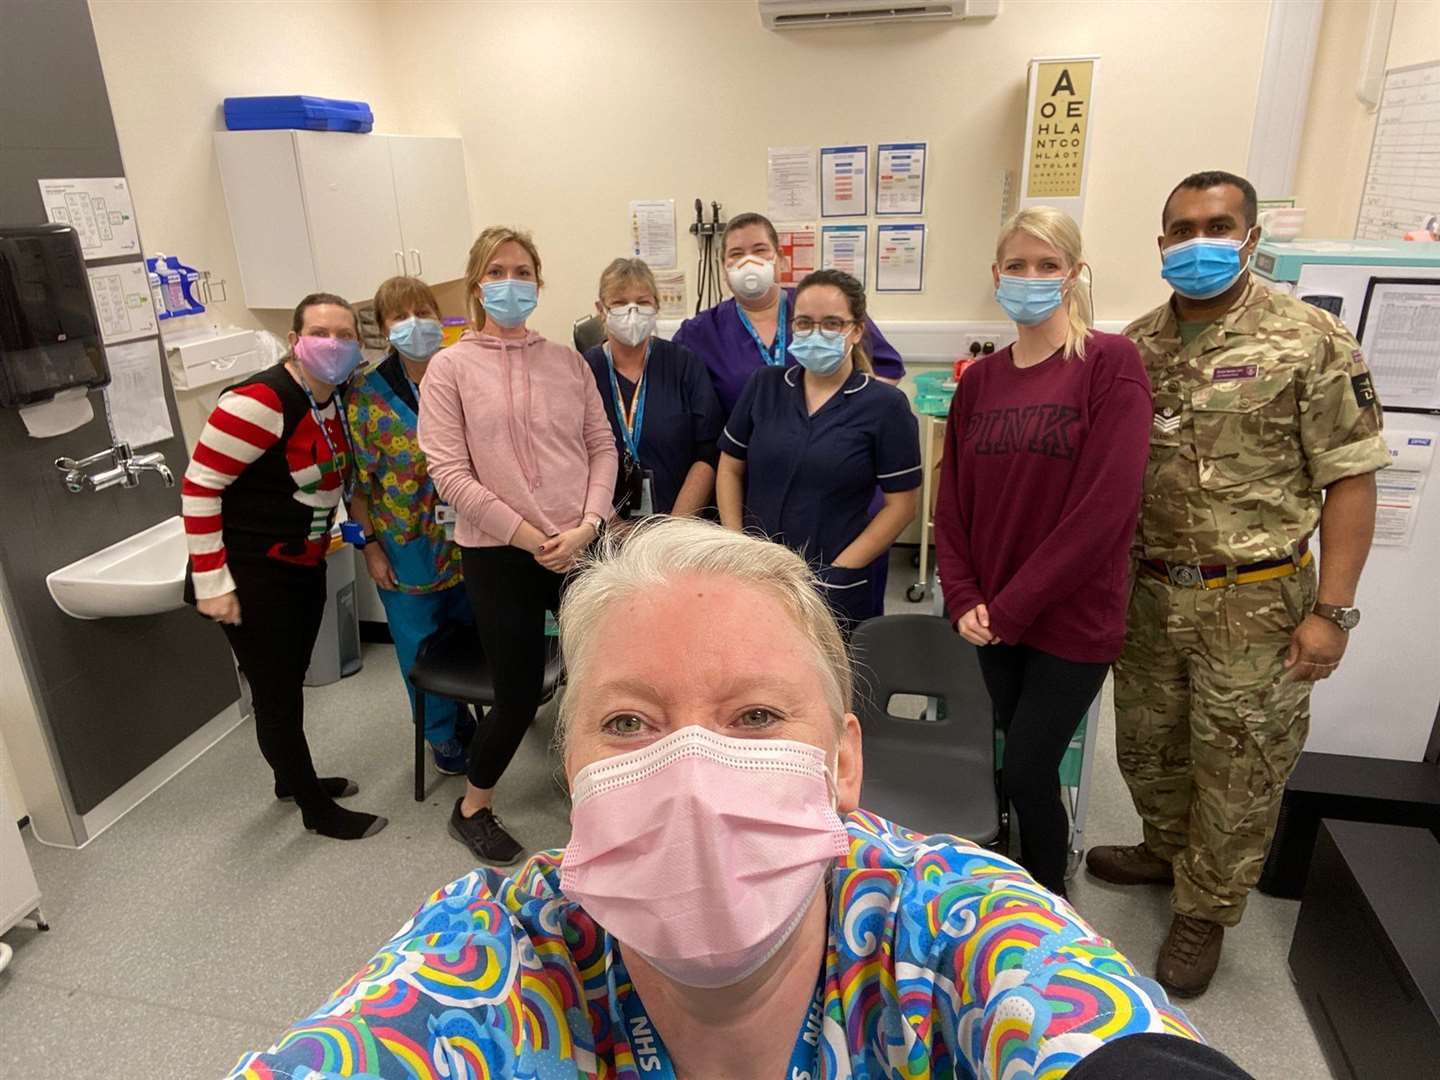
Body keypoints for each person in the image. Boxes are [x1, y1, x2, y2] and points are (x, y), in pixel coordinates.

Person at [228, 517, 1260, 1080]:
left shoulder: (948, 922)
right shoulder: (497, 953)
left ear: (844, 763)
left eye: (757, 718)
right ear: (571, 765)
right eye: (628, 723)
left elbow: (1098, 1035)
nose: (691, 775)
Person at [1087, 170, 1390, 998]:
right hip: (1150, 590)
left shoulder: (1310, 339)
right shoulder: (1133, 347)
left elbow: (1352, 480)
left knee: (1240, 762)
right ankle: (1163, 848)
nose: (1197, 243)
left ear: (1251, 239)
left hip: (1254, 598)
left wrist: (1335, 612)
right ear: (1160, 245)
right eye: (1181, 229)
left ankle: (1207, 907)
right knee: (1150, 745)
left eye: (1216, 226)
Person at [934, 207, 1152, 899]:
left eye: (1047, 266)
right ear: (996, 276)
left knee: (1031, 768)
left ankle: (1049, 909)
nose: (1031, 279)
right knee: (1011, 759)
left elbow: (1104, 511)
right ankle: (1014, 885)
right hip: (991, 618)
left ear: (1073, 275)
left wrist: (1011, 607)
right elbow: (954, 502)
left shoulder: (1109, 365)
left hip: (1068, 621)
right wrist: (965, 596)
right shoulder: (980, 383)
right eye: (1018, 266)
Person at [418, 225, 616, 865]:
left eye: (524, 271)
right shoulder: (449, 368)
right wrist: (531, 538)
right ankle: (472, 806)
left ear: (539, 282)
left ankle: (600, 789)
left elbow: (601, 448)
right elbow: (449, 474)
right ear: (478, 283)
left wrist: (589, 524)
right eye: (499, 270)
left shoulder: (568, 362)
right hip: (500, 553)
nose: (512, 282)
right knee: (517, 689)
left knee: (599, 677)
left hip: (581, 541)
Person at [182, 292, 386, 841]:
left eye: (346, 335)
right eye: (322, 332)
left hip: (302, 566)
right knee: (277, 693)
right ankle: (315, 808)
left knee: (287, 682)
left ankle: (288, 778)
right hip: (251, 576)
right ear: (295, 340)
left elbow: (326, 483)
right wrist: (212, 582)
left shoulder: (332, 398)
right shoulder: (259, 402)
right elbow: (200, 488)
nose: (335, 344)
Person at [675, 212, 907, 610]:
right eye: (736, 254)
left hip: (839, 492)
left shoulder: (818, 303)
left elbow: (884, 371)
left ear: (780, 258)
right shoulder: (701, 333)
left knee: (842, 628)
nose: (749, 262)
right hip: (755, 490)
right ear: (723, 266)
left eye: (760, 250)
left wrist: (836, 420)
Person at [716, 269, 920, 631]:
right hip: (756, 572)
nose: (816, 333)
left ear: (856, 331)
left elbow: (902, 506)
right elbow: (730, 467)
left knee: (829, 680)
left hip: (833, 583)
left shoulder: (885, 406)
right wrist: (734, 544)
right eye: (805, 323)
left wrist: (843, 569)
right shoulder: (765, 386)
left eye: (832, 323)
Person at [346, 275, 474, 777]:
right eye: (400, 316)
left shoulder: (460, 375)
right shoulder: (365, 396)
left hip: (467, 538)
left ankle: (462, 713)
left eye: (423, 311)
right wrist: (371, 549)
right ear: (382, 328)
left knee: (467, 636)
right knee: (420, 645)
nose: (415, 323)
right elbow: (357, 487)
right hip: (406, 548)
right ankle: (440, 736)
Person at [582, 257, 723, 518]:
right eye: (620, 303)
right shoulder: (583, 370)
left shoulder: (684, 364)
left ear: (656, 305)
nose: (632, 312)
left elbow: (708, 451)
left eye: (643, 302)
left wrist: (673, 528)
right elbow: (569, 457)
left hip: (679, 526)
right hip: (603, 526)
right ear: (601, 309)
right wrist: (609, 525)